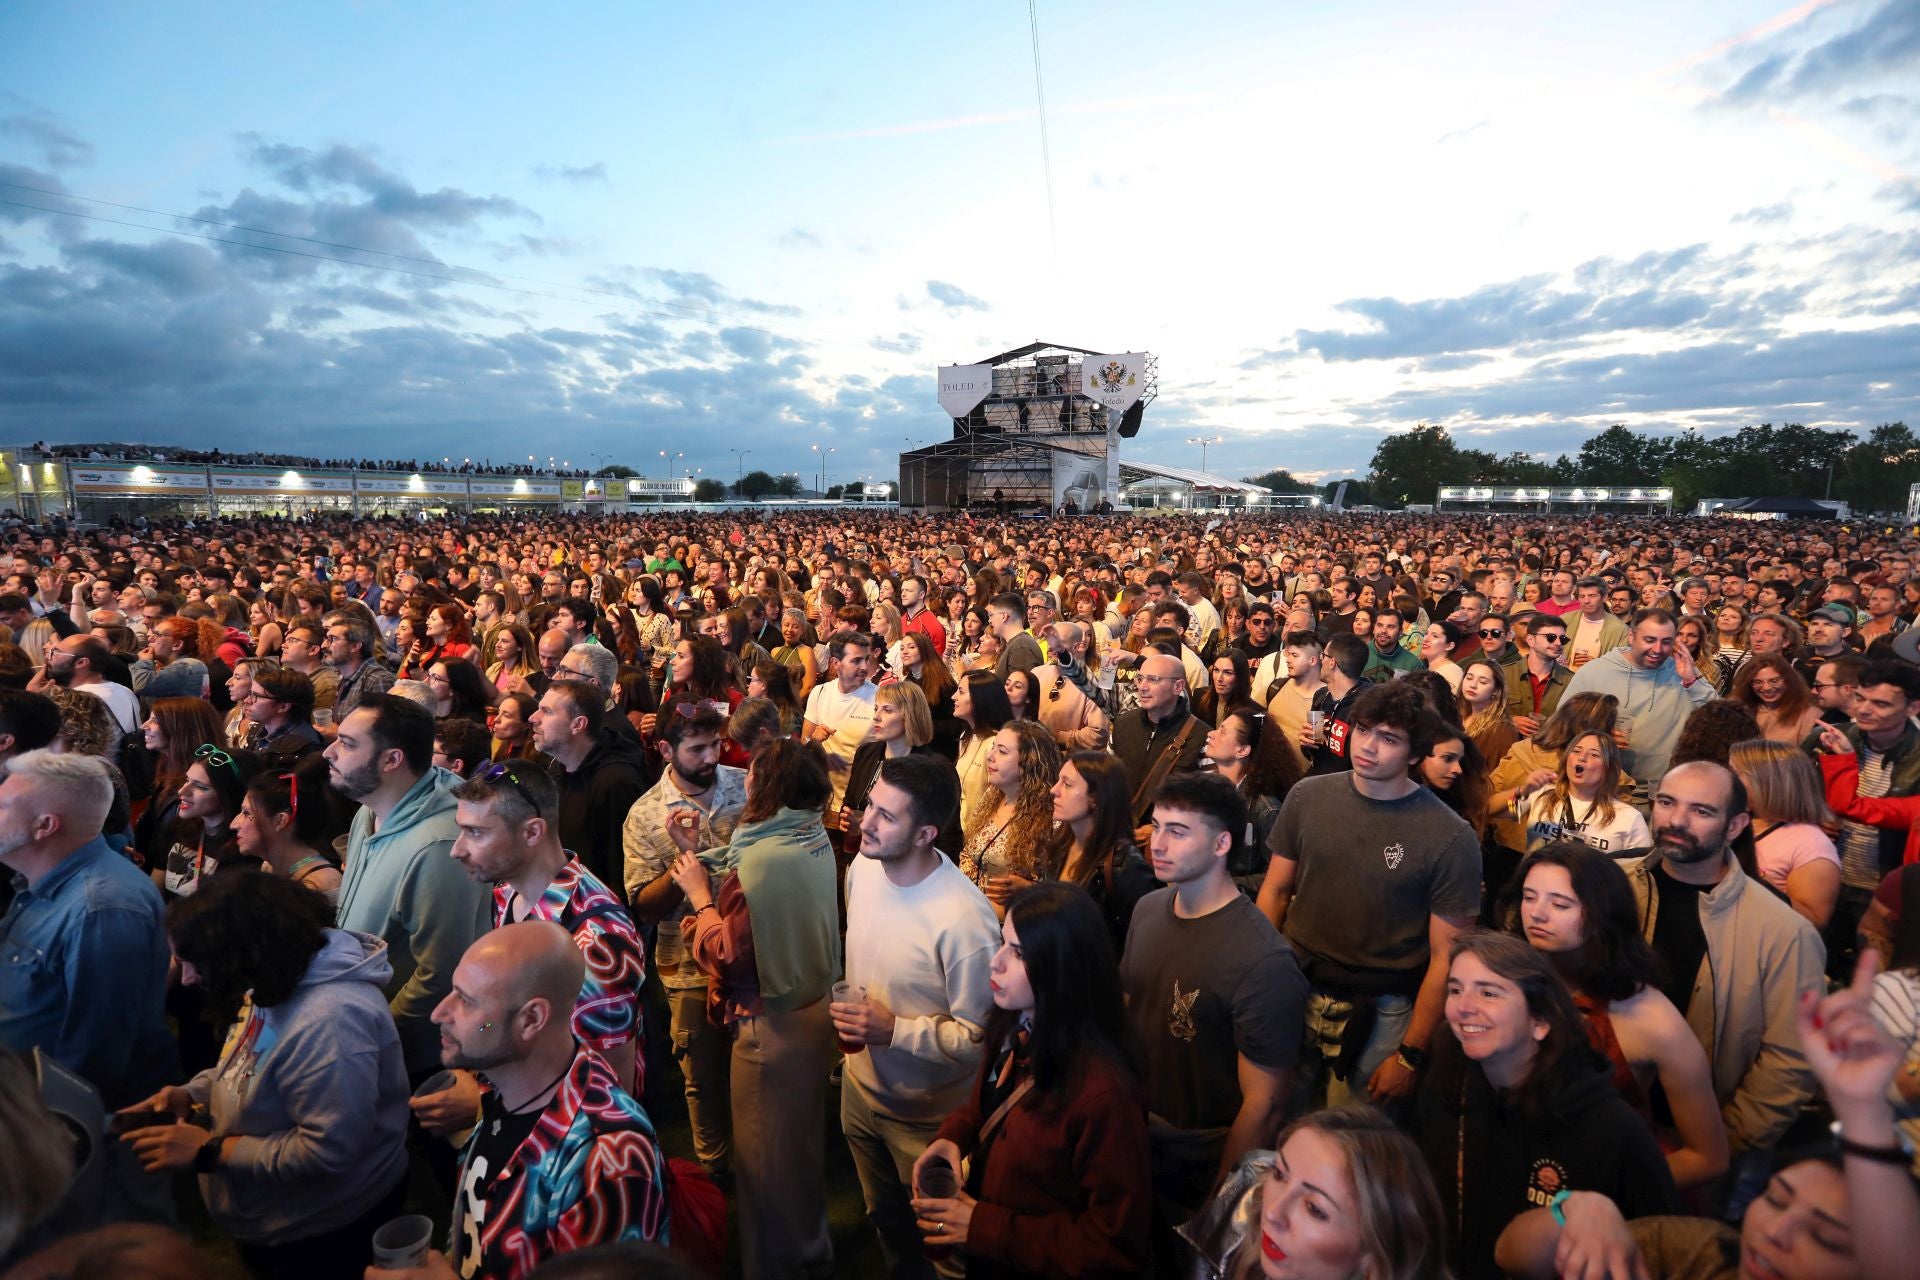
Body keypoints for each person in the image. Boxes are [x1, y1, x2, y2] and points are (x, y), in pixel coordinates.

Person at [117, 871, 408, 1280]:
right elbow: (250, 1060)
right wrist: (193, 1093)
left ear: (240, 952)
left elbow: (331, 1150)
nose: (186, 979)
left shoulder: (332, 1024)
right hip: (281, 1214)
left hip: (323, 1228)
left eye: (193, 963)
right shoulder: (275, 977)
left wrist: (210, 1151)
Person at [380, 922, 668, 1280]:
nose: (439, 1013)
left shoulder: (605, 1162)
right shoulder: (506, 1084)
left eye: (467, 1002)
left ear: (531, 1019)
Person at [1258, 682, 1482, 1108]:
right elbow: (1276, 891)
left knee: (1355, 1146)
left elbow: (1447, 957)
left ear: (1415, 754)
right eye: (1363, 730)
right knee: (1275, 1118)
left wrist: (1411, 1056)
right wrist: (1259, 981)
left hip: (1383, 1008)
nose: (1369, 746)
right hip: (1295, 984)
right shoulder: (1308, 796)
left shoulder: (1449, 836)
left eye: (1389, 738)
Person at [912, 883, 1152, 1278]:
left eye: (1019, 953)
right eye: (1002, 941)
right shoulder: (1015, 1020)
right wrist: (951, 1138)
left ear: (1063, 969)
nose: (995, 962)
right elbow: (984, 1104)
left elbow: (1114, 1244)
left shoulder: (1104, 1095)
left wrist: (986, 1227)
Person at [1412, 930, 1679, 1279]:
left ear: (1539, 1021)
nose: (1462, 1007)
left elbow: (1665, 1244)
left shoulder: (1610, 1127)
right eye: (1455, 989)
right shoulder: (1448, 1083)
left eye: (1488, 993)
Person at [671, 738, 841, 1280]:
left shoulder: (762, 859)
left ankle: (781, 1266)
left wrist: (699, 897)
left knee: (765, 1164)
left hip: (770, 1027)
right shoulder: (810, 831)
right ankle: (810, 1251)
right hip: (811, 1013)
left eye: (752, 773)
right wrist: (700, 858)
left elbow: (731, 952)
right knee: (799, 1151)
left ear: (762, 786)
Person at [837, 754, 999, 1280]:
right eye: (870, 807)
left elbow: (980, 1039)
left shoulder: (965, 920)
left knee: (944, 1252)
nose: (866, 822)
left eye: (887, 816)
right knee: (886, 1222)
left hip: (928, 1120)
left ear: (927, 832)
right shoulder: (862, 868)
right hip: (860, 1096)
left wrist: (895, 1031)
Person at [0, 749, 176, 1224]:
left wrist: (43, 1138)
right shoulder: (40, 880)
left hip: (84, 1134)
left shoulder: (103, 909)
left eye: (3, 806)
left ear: (45, 826)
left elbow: (95, 1054)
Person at [1626, 761, 1826, 1174]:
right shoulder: (1614, 889)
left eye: (1701, 811)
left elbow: (1790, 1059)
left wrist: (1722, 1143)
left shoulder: (1782, 930)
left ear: (1735, 826)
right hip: (1607, 1122)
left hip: (1706, 1147)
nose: (1676, 820)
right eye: (1666, 802)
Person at [1123, 773, 1308, 1216]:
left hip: (1199, 1161)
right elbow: (1129, 1013)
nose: (1158, 843)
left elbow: (1264, 1105)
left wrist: (1219, 1205)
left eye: (1178, 831)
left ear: (1222, 844)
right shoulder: (1148, 909)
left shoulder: (1262, 961)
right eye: (1158, 826)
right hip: (1134, 1132)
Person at [1513, 844, 1731, 1190]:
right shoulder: (1504, 982)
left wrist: (1606, 1197)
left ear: (1602, 916)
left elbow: (1709, 1157)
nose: (1536, 914)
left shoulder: (1648, 1015)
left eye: (1560, 904)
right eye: (1528, 897)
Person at [438, 762, 645, 1101]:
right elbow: (508, 1013)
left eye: (476, 832)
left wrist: (478, 1105)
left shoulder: (598, 939)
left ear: (532, 832)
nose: (457, 849)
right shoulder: (507, 891)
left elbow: (610, 1087)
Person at [326, 694, 491, 1082]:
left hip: (406, 1058)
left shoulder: (439, 846)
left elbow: (439, 974)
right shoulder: (370, 809)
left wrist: (375, 1036)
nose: (328, 753)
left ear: (391, 760)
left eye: (348, 744)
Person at [622, 703, 746, 1184]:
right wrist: (683, 860)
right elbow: (644, 907)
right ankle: (714, 1168)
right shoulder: (645, 814)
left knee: (751, 1066)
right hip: (688, 967)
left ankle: (759, 1157)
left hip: (749, 956)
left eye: (715, 744)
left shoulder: (744, 785)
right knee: (701, 1074)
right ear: (666, 750)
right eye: (697, 749)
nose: (711, 756)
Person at [1176, 1106, 1451, 1280]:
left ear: (1374, 1253)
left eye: (1314, 1208)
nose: (1272, 1212)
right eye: (1280, 1174)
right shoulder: (1240, 1247)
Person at [1563, 609, 1717, 803]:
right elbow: (1561, 728)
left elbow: (1719, 722)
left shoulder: (1682, 671)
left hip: (1664, 794)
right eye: (1650, 640)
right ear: (1631, 636)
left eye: (1666, 642)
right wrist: (1598, 738)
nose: (1658, 649)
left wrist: (1691, 680)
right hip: (1603, 794)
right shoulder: (1594, 672)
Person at [529, 679, 648, 894]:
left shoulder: (616, 783)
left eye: (546, 712)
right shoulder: (559, 766)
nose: (533, 718)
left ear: (578, 724)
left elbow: (621, 875)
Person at [1044, 750, 1158, 948]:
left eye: (1067, 784)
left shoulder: (1125, 867)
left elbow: (1142, 942)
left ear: (1096, 798)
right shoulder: (1061, 844)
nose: (1054, 790)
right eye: (1058, 781)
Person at [1728, 737, 1842, 930]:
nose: (1727, 781)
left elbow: (1812, 922)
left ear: (1768, 782)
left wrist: (1749, 877)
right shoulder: (1740, 821)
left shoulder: (1811, 844)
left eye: (1735, 774)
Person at [959, 721, 1064, 918]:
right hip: (971, 913)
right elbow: (968, 852)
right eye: (993, 748)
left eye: (1002, 751)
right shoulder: (992, 795)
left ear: (1027, 763)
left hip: (1013, 925)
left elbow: (1062, 888)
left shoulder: (1051, 819)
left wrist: (1029, 888)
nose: (990, 757)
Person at [1206, 705, 1303, 894]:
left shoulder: (1266, 809)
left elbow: (1277, 878)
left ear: (1242, 750)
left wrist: (1222, 884)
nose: (1211, 734)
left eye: (1223, 731)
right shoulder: (1210, 790)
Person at [1113, 651, 1207, 831]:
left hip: (1171, 842)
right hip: (1121, 836)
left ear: (1178, 686)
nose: (1142, 686)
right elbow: (1109, 782)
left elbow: (1205, 804)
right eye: (1140, 679)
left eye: (1153, 680)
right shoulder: (1123, 724)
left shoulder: (1201, 736)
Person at [1517, 730, 1650, 856]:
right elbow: (1508, 811)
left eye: (1594, 754)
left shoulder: (1629, 818)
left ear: (1609, 769)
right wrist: (1522, 791)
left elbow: (1638, 871)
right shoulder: (1541, 793)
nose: (1582, 757)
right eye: (1576, 751)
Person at [232, 757, 343, 905]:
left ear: (280, 821)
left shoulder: (324, 883)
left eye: (246, 813)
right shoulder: (269, 866)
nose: (233, 824)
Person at [802, 629, 879, 820]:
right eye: (856, 661)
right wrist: (815, 739)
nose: (864, 666)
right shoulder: (820, 692)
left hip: (858, 808)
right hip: (821, 801)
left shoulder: (880, 697)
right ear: (836, 663)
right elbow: (805, 743)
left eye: (866, 659)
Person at [1300, 633, 1372, 778]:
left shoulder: (1367, 707)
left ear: (1332, 662)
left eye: (1323, 656)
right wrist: (1306, 744)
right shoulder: (1320, 696)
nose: (1321, 660)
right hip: (1317, 780)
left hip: (1347, 789)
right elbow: (1314, 747)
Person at [953, 669, 1014, 828]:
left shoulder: (995, 745)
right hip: (962, 829)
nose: (954, 697)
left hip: (982, 831)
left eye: (960, 692)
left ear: (979, 699)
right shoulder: (966, 736)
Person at [1732, 655, 1824, 747]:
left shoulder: (1809, 715)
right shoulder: (1739, 711)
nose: (1766, 687)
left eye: (1774, 681)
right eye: (1757, 682)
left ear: (1788, 680)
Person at [1504, 612, 1571, 737]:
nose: (1558, 643)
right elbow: (1483, 714)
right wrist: (1510, 721)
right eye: (1551, 637)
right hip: (1508, 747)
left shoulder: (1571, 681)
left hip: (1549, 751)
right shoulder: (1504, 674)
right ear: (1531, 640)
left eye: (1563, 639)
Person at [1457, 656, 1519, 768]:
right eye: (1469, 678)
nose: (1473, 685)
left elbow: (1497, 776)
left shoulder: (1502, 732)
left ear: (1496, 690)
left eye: (1483, 682)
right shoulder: (1457, 716)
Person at [986, 592, 1045, 682]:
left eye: (991, 615)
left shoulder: (1021, 646)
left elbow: (1019, 692)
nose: (989, 620)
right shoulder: (1016, 644)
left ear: (1004, 616)